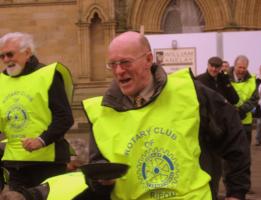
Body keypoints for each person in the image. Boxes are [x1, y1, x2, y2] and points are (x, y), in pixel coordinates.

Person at [81, 31, 250, 200]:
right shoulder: (101, 111)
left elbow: (233, 135)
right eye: (112, 64)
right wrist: (101, 180)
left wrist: (236, 192)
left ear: (148, 59)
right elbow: (96, 175)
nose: (118, 71)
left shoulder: (190, 93)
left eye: (125, 62)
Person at [0, 32, 74, 191]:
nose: (6, 60)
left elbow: (65, 118)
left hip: (48, 163)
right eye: (2, 56)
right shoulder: (1, 81)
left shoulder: (47, 75)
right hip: (15, 164)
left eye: (10, 54)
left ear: (27, 52)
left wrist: (41, 140)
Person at [196, 56, 239, 199]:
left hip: (220, 133)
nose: (214, 69)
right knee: (206, 169)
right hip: (204, 132)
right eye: (212, 66)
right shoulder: (199, 80)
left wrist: (226, 82)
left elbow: (235, 99)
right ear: (207, 65)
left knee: (217, 170)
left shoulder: (222, 81)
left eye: (217, 67)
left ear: (221, 67)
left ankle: (213, 195)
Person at [228, 55, 259, 146]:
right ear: (234, 65)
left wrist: (241, 109)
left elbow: (255, 99)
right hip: (229, 120)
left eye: (244, 68)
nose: (241, 70)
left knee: (245, 150)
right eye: (239, 67)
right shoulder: (224, 78)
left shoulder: (252, 80)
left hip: (245, 122)